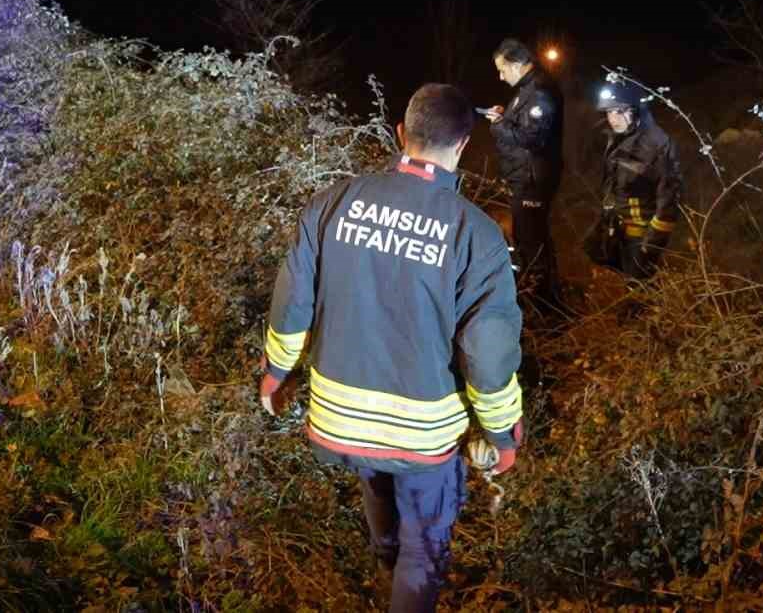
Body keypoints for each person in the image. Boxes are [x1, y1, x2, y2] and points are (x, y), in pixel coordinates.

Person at [260, 83, 525, 613]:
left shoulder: (332, 202)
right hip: (422, 437)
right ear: (464, 146)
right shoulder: (476, 234)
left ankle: (386, 566)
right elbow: (487, 350)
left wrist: (274, 373)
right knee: (422, 553)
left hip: (340, 422)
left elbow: (291, 303)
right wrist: (503, 433)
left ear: (401, 134)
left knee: (377, 483)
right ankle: (402, 584)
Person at [485, 38, 564, 303]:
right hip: (525, 176)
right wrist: (504, 116)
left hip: (532, 180)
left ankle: (544, 306)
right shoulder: (528, 88)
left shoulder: (539, 91)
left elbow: (533, 137)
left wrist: (498, 125)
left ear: (517, 64)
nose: (499, 76)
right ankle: (544, 296)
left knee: (531, 243)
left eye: (502, 69)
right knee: (530, 238)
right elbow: (525, 125)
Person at [584, 79, 682, 279]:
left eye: (619, 111)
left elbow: (669, 200)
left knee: (641, 290)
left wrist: (651, 244)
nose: (613, 118)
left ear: (636, 110)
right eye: (609, 112)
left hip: (643, 235)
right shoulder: (616, 138)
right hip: (619, 229)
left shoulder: (657, 144)